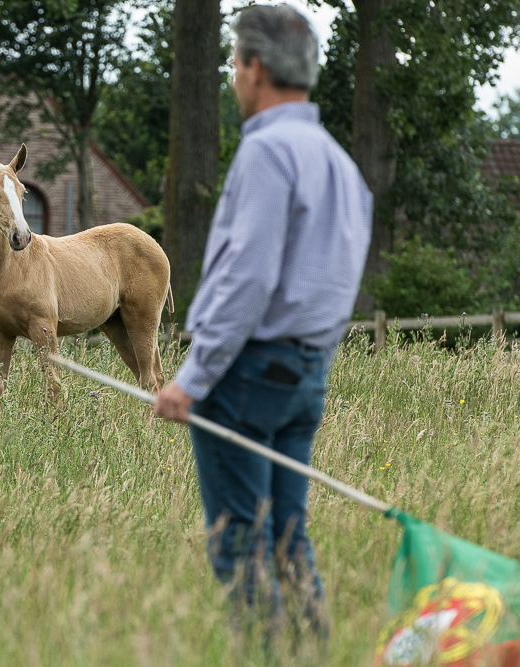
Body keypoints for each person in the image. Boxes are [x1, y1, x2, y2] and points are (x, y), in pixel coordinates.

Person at [153, 2, 373, 643]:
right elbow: (338, 282)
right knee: (286, 535)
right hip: (307, 374)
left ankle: (267, 657)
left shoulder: (268, 154)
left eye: (232, 62)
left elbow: (246, 279)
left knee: (241, 544)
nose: (231, 75)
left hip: (247, 376)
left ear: (253, 68)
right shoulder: (339, 163)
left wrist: (192, 378)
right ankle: (312, 650)